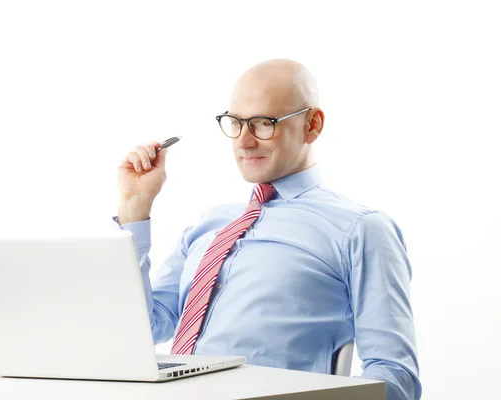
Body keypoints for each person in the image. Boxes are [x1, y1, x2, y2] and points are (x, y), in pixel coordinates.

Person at [114, 59, 421, 400]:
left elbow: (396, 377)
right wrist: (135, 209)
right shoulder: (208, 224)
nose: (243, 142)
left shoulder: (361, 230)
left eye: (263, 123)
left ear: (312, 125)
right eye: (235, 123)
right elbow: (144, 329)